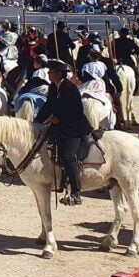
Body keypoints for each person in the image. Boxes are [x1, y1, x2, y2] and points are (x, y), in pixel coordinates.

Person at [35, 59, 93, 205]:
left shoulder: (70, 88)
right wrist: (36, 122)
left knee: (68, 156)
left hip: (74, 128)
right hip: (60, 127)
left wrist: (59, 118)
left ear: (59, 73)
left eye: (51, 71)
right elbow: (49, 105)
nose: (48, 73)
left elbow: (76, 111)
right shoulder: (54, 87)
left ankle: (76, 191)